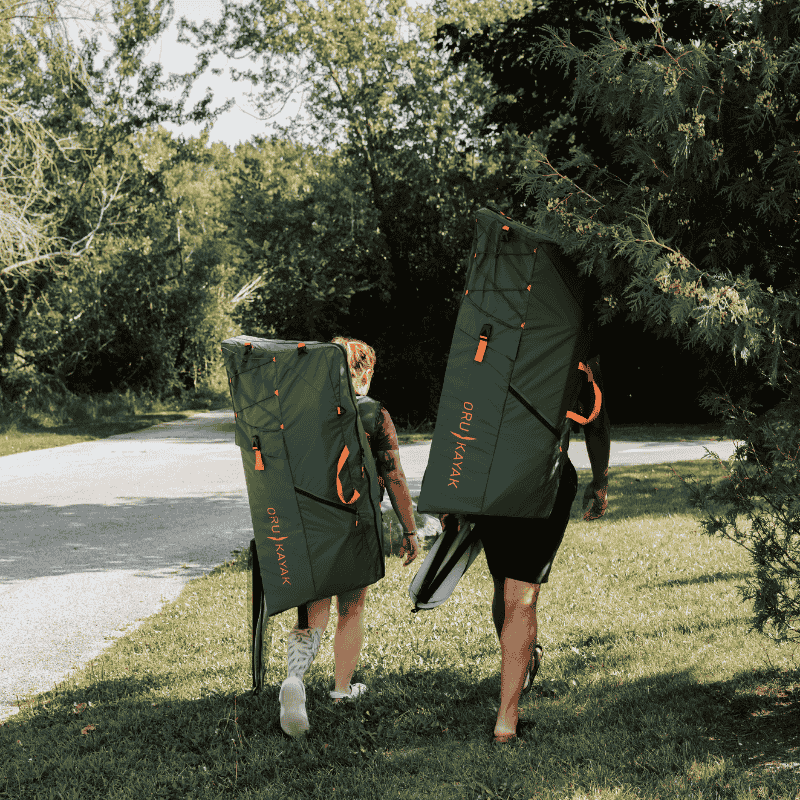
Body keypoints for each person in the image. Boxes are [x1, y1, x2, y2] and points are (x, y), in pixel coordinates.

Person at [455, 350, 610, 744]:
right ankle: (506, 719)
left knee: (503, 582)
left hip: (491, 481)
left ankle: (518, 670)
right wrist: (600, 481)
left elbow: (462, 418)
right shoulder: (573, 350)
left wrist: (454, 494)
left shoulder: (490, 342)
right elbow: (595, 422)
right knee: (521, 595)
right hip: (544, 481)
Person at [279, 336, 420, 738]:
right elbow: (393, 475)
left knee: (313, 610)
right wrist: (409, 529)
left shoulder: (299, 411)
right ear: (364, 372)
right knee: (351, 609)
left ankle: (295, 678)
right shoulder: (375, 414)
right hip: (357, 524)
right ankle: (341, 689)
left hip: (311, 523)